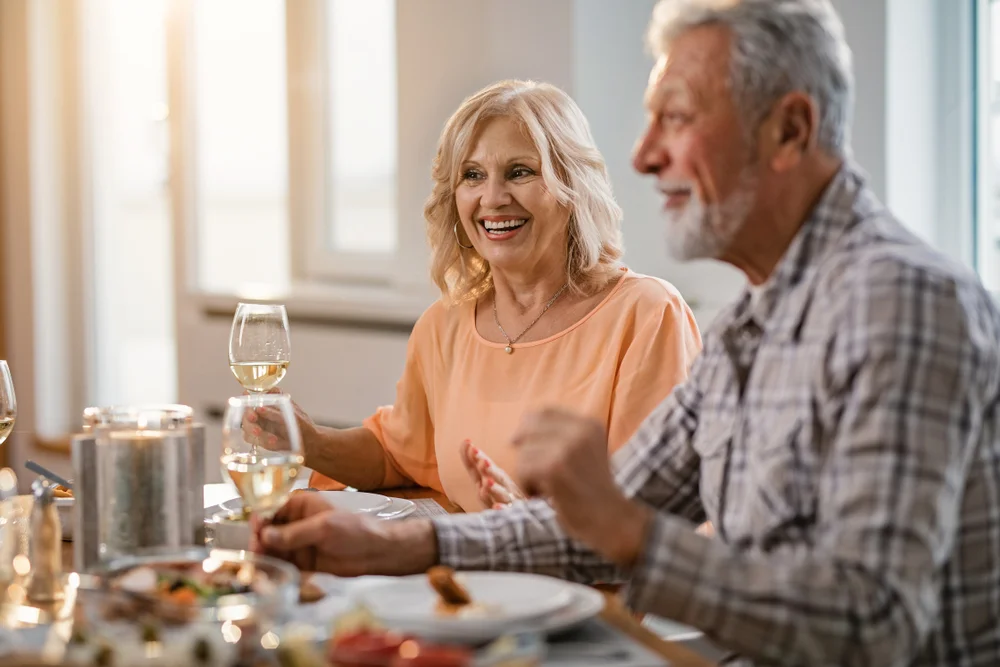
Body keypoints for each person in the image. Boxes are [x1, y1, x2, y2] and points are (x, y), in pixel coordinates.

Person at [253, 1, 1000, 664]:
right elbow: (592, 519)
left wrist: (629, 534)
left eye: (677, 117)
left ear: (789, 130)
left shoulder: (902, 303)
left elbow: (873, 627)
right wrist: (404, 544)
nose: (644, 155)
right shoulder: (753, 323)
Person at [248, 79, 701, 512]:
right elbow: (399, 453)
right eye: (472, 175)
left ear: (573, 187)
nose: (493, 197)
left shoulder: (646, 315)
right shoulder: (443, 327)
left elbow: (649, 515)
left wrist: (529, 519)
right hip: (473, 589)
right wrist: (308, 442)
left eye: (519, 172)